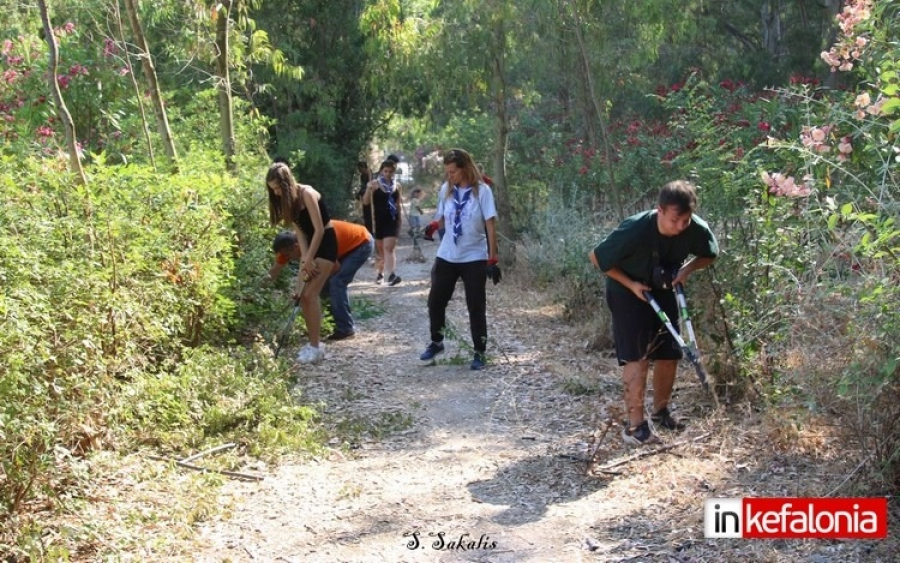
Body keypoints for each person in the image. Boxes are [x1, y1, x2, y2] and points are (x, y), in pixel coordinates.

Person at [589, 180, 718, 446]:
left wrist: (686, 270)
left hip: (663, 289)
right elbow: (597, 258)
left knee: (669, 352)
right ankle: (635, 427)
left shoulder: (695, 228)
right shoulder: (635, 228)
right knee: (637, 356)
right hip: (628, 291)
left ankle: (661, 412)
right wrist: (632, 285)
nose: (681, 226)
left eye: (686, 220)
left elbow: (710, 254)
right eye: (675, 220)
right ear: (659, 210)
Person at [420, 148, 500, 371]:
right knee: (436, 300)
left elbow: (491, 225)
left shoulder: (482, 191)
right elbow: (442, 218)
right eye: (447, 172)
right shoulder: (447, 189)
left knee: (475, 305)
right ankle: (437, 342)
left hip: (474, 255)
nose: (450, 176)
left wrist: (492, 259)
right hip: (447, 254)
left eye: (453, 172)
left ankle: (479, 351)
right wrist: (434, 226)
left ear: (465, 169)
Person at [266, 162, 337, 365]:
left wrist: (310, 258)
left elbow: (319, 230)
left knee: (310, 294)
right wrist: (305, 260)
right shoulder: (289, 202)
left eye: (278, 188)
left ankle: (316, 348)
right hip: (310, 247)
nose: (277, 193)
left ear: (287, 183)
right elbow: (301, 233)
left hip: (326, 244)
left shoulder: (307, 193)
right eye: (273, 190)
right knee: (302, 296)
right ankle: (313, 343)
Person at [269, 220, 374, 341]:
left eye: (288, 255)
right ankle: (335, 321)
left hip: (361, 242)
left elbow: (334, 268)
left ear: (296, 247)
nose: (287, 259)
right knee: (322, 285)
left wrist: (307, 283)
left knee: (336, 282)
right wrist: (259, 288)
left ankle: (346, 328)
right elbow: (274, 271)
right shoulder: (288, 247)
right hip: (345, 246)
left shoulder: (315, 243)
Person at [362, 159, 404, 286]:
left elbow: (397, 205)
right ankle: (380, 274)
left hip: (392, 220)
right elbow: (365, 202)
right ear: (381, 171)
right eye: (386, 171)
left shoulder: (397, 186)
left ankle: (391, 275)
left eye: (391, 172)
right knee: (381, 250)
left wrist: (400, 221)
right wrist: (368, 190)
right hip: (378, 221)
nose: (388, 174)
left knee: (388, 248)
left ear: (394, 172)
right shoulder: (374, 184)